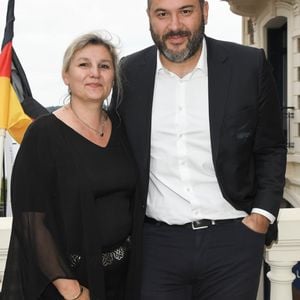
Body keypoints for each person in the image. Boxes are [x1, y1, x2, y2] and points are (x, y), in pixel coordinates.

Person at [111, 0, 287, 299]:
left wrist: (261, 216)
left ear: (205, 11)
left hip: (233, 241)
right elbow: (112, 144)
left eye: (186, 11)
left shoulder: (248, 64)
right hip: (156, 246)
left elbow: (270, 146)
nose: (175, 26)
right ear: (149, 18)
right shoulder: (129, 72)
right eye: (163, 14)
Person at [1, 32, 140, 300]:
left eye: (104, 66)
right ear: (66, 75)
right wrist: (71, 289)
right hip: (72, 284)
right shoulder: (43, 134)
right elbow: (31, 221)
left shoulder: (122, 128)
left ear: (113, 77)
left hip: (124, 280)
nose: (94, 74)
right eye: (83, 64)